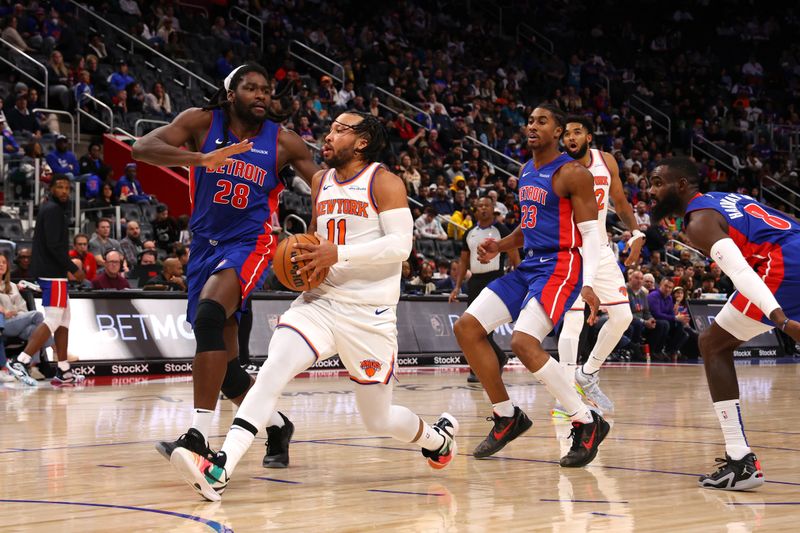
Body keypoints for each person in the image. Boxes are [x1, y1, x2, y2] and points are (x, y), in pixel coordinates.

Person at [167, 111, 458, 502]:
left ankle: (436, 439)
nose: (329, 135)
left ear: (362, 142)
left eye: (341, 130)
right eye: (331, 127)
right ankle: (220, 467)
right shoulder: (320, 181)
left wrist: (336, 253)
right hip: (320, 303)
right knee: (272, 372)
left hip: (368, 315)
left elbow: (400, 247)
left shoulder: (383, 181)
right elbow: (320, 242)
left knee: (377, 419)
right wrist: (304, 254)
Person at [132, 63, 319, 468]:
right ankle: (278, 425)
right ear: (231, 93)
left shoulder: (284, 141)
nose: (261, 95)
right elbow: (141, 148)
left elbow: (323, 183)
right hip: (202, 246)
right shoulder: (201, 121)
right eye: (251, 88)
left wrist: (320, 233)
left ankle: (198, 434)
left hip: (250, 241)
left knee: (209, 316)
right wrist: (200, 159)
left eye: (266, 89)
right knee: (228, 368)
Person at [453, 104, 608, 467]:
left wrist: (589, 284)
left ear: (558, 132)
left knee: (523, 342)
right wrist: (501, 245)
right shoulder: (526, 171)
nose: (532, 127)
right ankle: (507, 415)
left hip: (562, 264)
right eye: (530, 122)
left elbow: (591, 235)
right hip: (532, 262)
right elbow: (530, 226)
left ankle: (585, 420)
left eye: (542, 122)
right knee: (467, 328)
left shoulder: (573, 173)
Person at [649, 156, 800, 490]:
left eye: (658, 183)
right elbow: (787, 219)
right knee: (712, 342)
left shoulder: (699, 221)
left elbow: (741, 273)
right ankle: (738, 457)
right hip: (793, 248)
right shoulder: (726, 198)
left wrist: (781, 320)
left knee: (712, 344)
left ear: (682, 185)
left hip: (782, 265)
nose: (651, 191)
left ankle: (740, 460)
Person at [555, 116, 644, 415]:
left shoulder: (606, 162)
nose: (571, 137)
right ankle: (565, 396)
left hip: (601, 249)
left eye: (577, 132)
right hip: (571, 250)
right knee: (573, 321)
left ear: (589, 137)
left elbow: (619, 202)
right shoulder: (556, 167)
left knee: (622, 316)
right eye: (566, 133)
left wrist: (636, 232)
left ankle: (587, 373)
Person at [5, 175, 86, 386]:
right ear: (51, 189)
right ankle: (20, 361)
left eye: (67, 188)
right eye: (59, 187)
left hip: (53, 271)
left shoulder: (54, 209)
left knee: (64, 320)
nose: (64, 191)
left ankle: (63, 370)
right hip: (53, 272)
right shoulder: (52, 210)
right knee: (53, 319)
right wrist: (73, 268)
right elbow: (54, 245)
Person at [450, 196, 520, 383]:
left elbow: (514, 254)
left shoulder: (501, 230)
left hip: (495, 280)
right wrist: (457, 286)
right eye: (479, 205)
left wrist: (521, 276)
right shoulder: (469, 233)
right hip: (474, 282)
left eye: (486, 206)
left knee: (484, 329)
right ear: (475, 209)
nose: (483, 209)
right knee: (472, 328)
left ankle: (484, 366)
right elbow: (464, 261)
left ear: (493, 208)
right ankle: (493, 361)